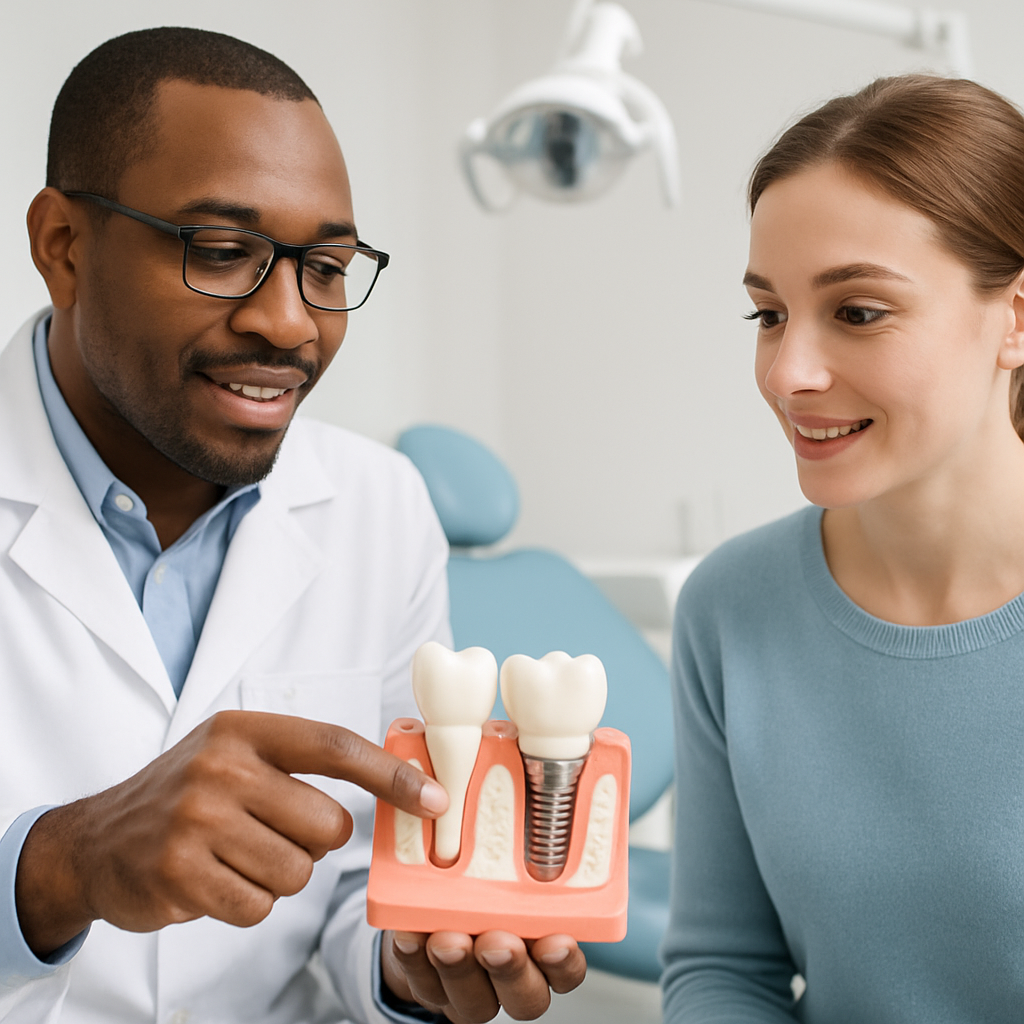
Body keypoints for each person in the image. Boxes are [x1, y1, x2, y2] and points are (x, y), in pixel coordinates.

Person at [0, 27, 585, 1024]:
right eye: (222, 253)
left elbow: (365, 878)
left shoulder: (381, 507)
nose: (289, 322)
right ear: (64, 246)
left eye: (326, 267)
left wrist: (410, 967)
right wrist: (58, 866)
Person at [661, 74, 1024, 1023]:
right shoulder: (731, 607)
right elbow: (721, 969)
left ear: (1016, 318)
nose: (789, 374)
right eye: (768, 314)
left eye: (858, 312)